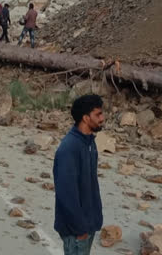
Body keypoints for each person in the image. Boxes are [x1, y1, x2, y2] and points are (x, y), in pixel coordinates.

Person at [53, 94, 105, 255]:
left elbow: (91, 184)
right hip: (76, 229)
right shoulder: (69, 148)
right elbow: (66, 193)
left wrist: (96, 218)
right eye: (98, 114)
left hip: (88, 223)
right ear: (85, 118)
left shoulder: (89, 142)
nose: (102, 118)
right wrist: (79, 229)